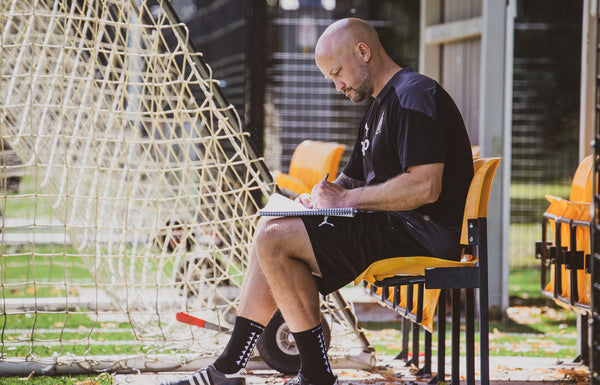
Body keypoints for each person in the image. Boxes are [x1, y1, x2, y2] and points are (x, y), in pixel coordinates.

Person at [160, 17, 473, 385]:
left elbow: (425, 187)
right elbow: (353, 177)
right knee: (270, 228)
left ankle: (308, 376)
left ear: (363, 51)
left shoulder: (413, 95)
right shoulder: (379, 106)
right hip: (393, 225)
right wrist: (319, 198)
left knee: (275, 238)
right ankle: (231, 369)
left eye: (338, 72)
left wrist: (346, 198)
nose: (338, 85)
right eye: (331, 78)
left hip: (420, 232)